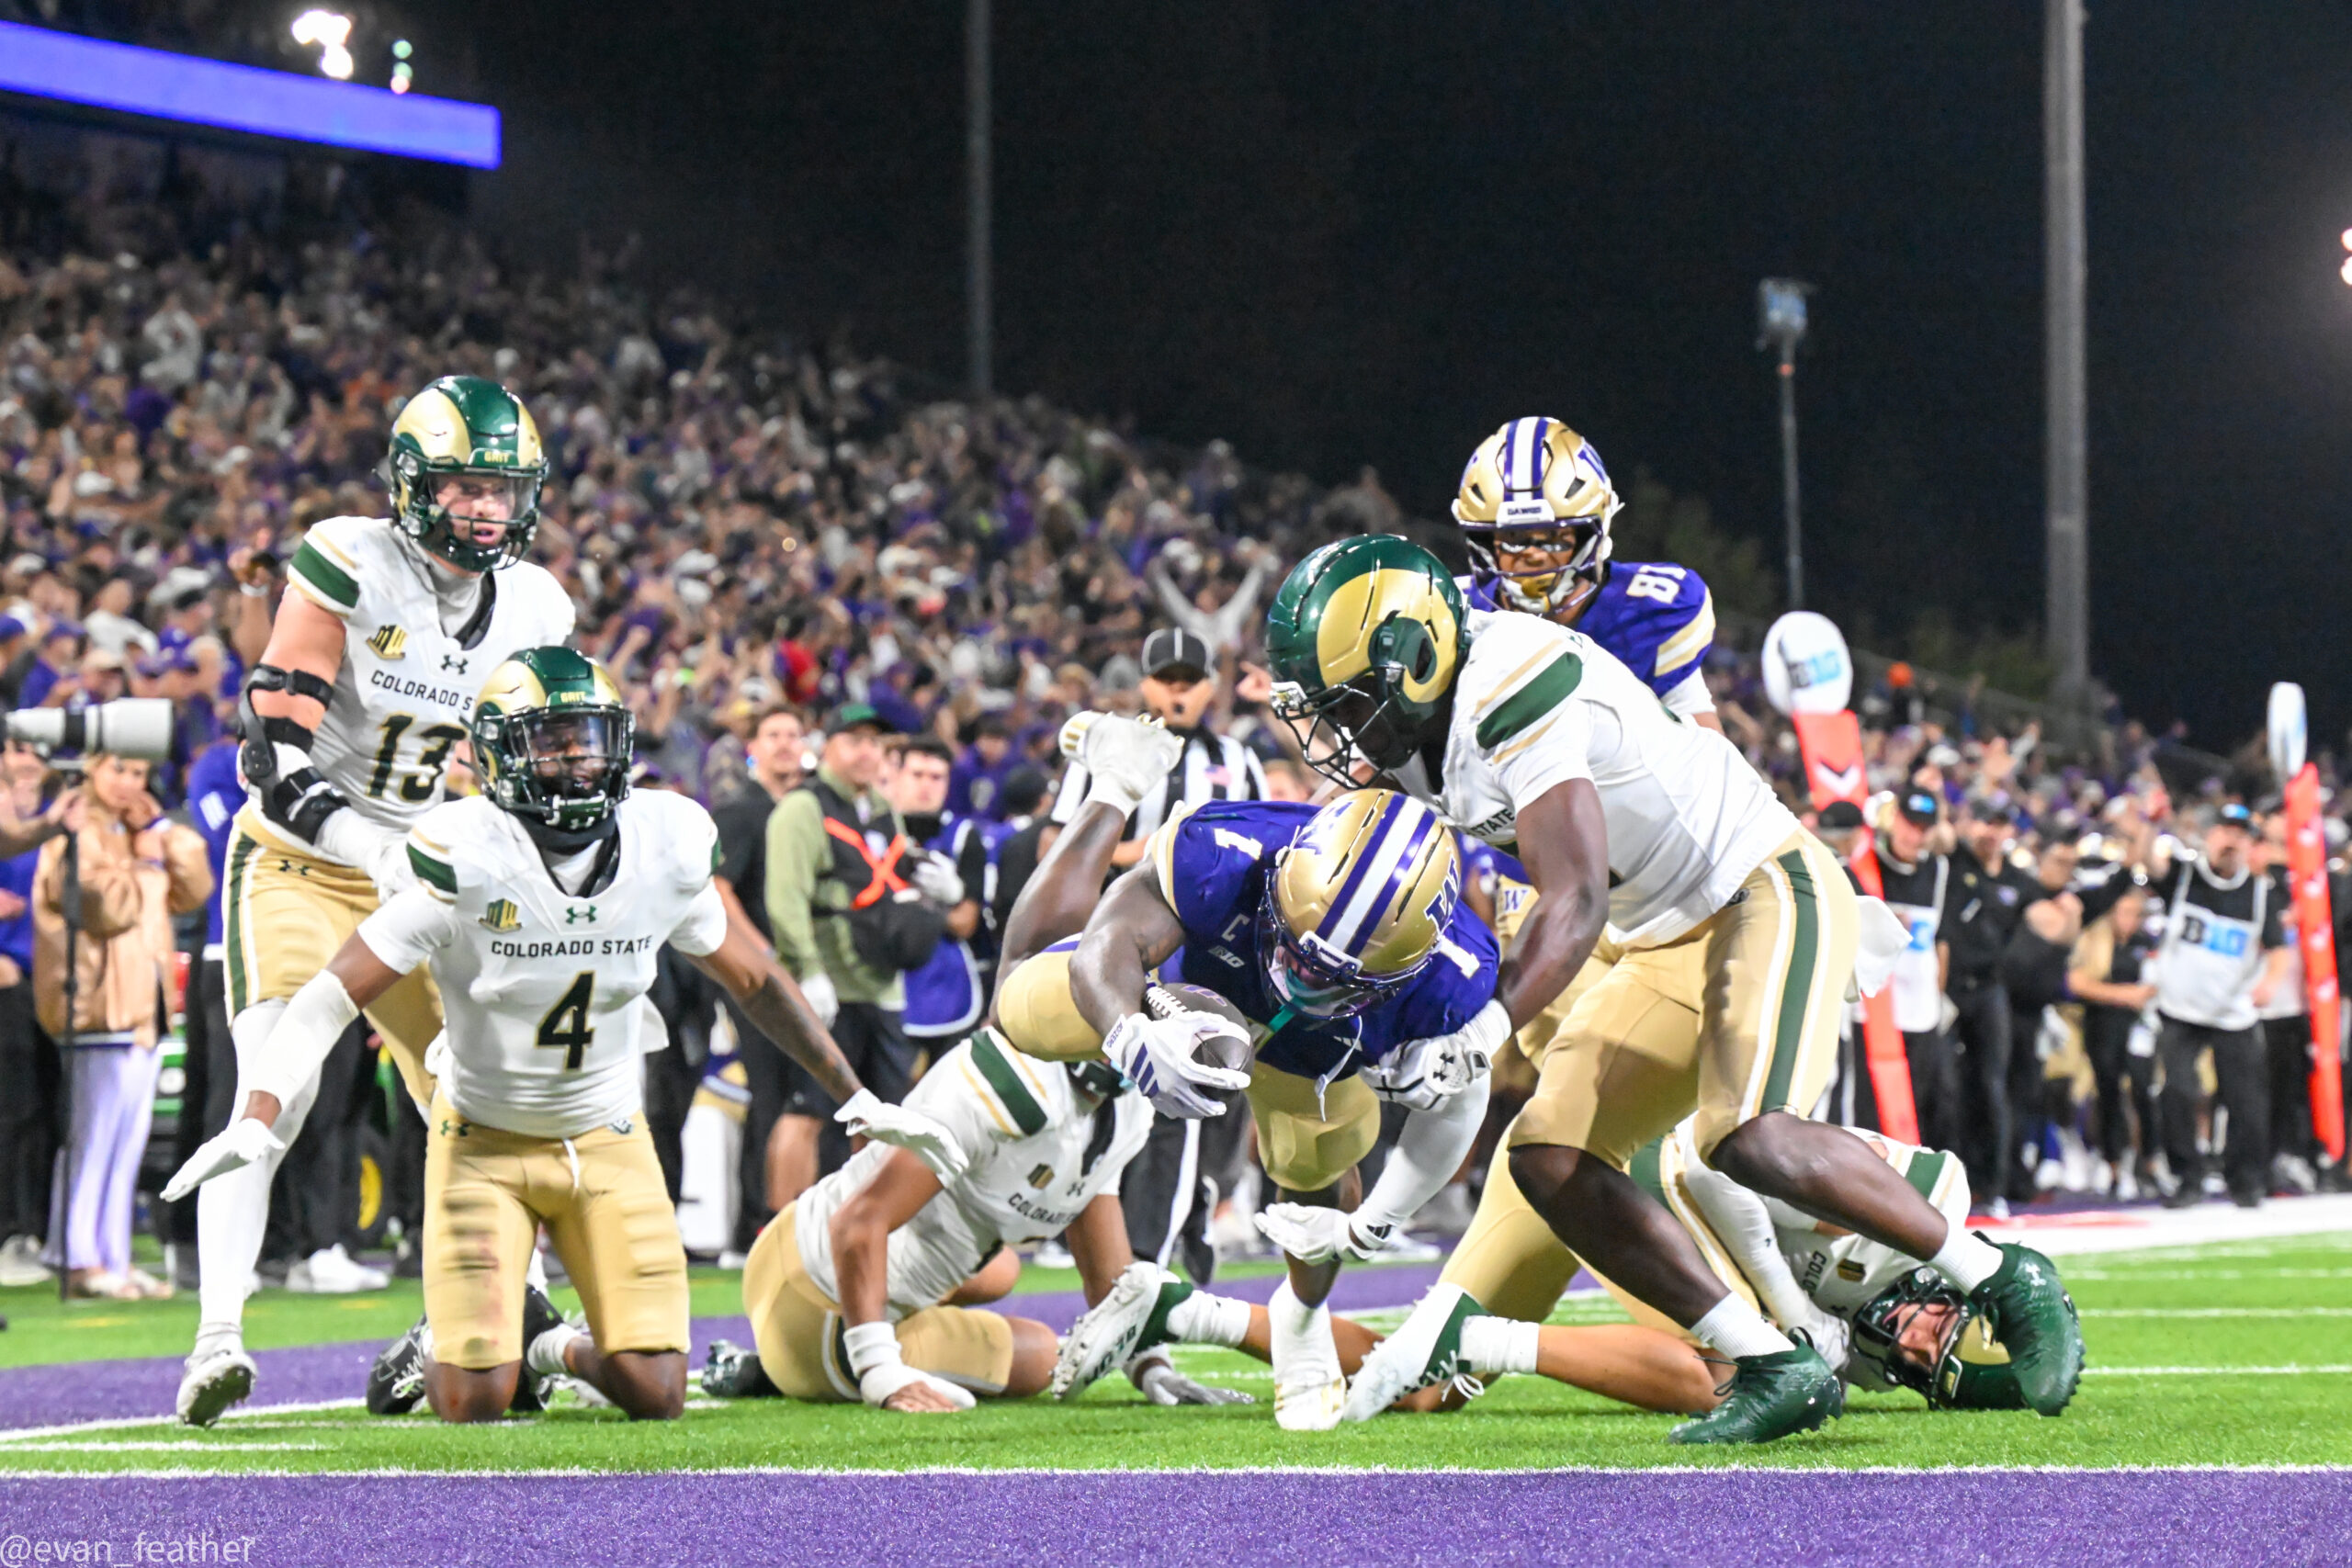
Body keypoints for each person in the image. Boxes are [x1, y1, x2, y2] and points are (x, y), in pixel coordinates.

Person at [1263, 535, 2082, 1442]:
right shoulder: (1419, 714)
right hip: (1657, 933)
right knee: (1548, 1154)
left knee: (1748, 1137)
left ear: (1413, 664)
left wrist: (1481, 1030)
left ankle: (1998, 1275)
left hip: (1758, 885)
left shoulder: (1506, 678)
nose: (1335, 732)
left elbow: (1571, 897)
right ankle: (1770, 1363)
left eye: (1346, 703)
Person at [167, 649, 942, 1423]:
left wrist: (857, 1093)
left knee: (657, 1392)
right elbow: (332, 992)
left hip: (606, 1134)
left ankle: (548, 1343)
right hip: (482, 1140)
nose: (577, 763)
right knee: (471, 1400)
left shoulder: (661, 841)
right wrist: (260, 1112)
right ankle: (443, 1346)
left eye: (590, 739)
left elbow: (756, 981)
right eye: (553, 742)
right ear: (501, 755)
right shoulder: (460, 852)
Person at [178, 375, 580, 1427]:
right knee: (278, 1080)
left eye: (504, 487)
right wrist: (368, 842)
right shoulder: (349, 556)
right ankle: (219, 1334)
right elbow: (270, 748)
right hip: (298, 860)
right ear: (411, 484)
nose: (486, 507)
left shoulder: (538, 606)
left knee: (485, 1089)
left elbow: (524, 765)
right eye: (464, 484)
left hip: (421, 869)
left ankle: (499, 1307)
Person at [997, 715, 1503, 1430]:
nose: (1299, 978)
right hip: (1173, 993)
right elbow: (1108, 939)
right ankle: (1112, 784)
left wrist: (1378, 1224)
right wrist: (1130, 1030)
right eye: (1297, 946)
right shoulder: (1229, 846)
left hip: (1314, 1062)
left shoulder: (1452, 978)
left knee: (1318, 1188)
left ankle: (1302, 1318)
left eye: (1330, 976)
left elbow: (1461, 1102)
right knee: (1017, 1003)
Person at [1048, 627, 1270, 1280]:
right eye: (1165, 678)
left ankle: (1182, 1250)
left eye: (1189, 679)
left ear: (1210, 686)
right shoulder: (1114, 751)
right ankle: (1135, 1258)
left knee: (1207, 1103)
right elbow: (1062, 851)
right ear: (1144, 684)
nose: (1177, 691)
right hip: (1126, 947)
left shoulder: (1237, 756)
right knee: (1139, 1101)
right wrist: (1162, 856)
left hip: (1211, 953)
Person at [34, 752, 212, 1298]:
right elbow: (101, 907)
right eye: (118, 771)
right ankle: (76, 1255)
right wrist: (148, 865)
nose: (129, 784)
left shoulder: (132, 832)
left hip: (144, 1008)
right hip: (95, 1005)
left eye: (138, 774)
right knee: (91, 1137)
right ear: (91, 771)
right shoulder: (75, 829)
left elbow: (196, 889)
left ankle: (112, 1255)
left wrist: (159, 832)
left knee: (126, 1141)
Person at [763, 705, 926, 1190]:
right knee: (809, 1111)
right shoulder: (803, 807)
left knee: (884, 1119)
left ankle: (862, 1232)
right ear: (827, 747)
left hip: (879, 985)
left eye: (875, 743)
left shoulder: (881, 809)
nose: (867, 752)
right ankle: (781, 1233)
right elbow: (784, 899)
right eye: (853, 740)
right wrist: (807, 971)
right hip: (828, 986)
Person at [2143, 802, 2288, 1208]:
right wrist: (2149, 824)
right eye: (2225, 831)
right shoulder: (2187, 877)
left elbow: (2278, 949)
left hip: (2232, 1012)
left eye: (2240, 834)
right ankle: (2188, 1177)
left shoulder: (2260, 892)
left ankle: (2245, 1180)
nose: (2231, 840)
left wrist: (2270, 982)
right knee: (2177, 1091)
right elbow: (2147, 863)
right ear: (2211, 836)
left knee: (2246, 1100)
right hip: (2180, 1007)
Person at [710, 704, 807, 1258]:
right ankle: (752, 1228)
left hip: (804, 976)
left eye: (793, 733)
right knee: (768, 1097)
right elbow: (720, 891)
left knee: (804, 1102)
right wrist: (763, 954)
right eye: (773, 735)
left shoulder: (806, 806)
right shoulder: (741, 811)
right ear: (753, 747)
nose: (785, 744)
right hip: (760, 980)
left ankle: (798, 1220)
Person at [1872, 788, 1962, 1152]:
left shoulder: (1937, 870)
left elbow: (1941, 941)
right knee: (1872, 1105)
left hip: (1921, 1012)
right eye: (1909, 824)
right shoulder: (1867, 864)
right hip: (1874, 1011)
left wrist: (1937, 996)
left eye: (1923, 828)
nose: (1914, 836)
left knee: (1927, 1100)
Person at [2070, 884, 2158, 1200]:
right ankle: (2114, 1165)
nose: (2130, 920)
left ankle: (2149, 1163)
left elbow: (2156, 981)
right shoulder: (2095, 941)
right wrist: (2125, 995)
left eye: (2136, 914)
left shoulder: (2145, 942)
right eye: (2125, 912)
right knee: (2108, 1094)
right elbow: (2078, 982)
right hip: (2102, 1025)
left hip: (2139, 1028)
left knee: (2143, 1091)